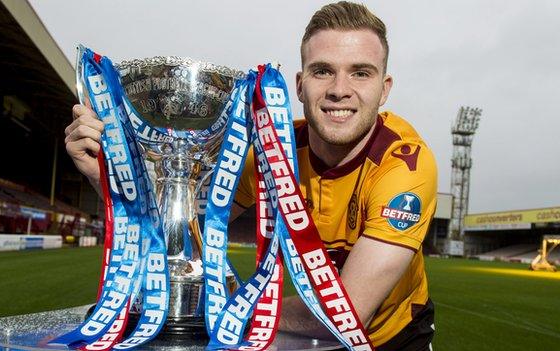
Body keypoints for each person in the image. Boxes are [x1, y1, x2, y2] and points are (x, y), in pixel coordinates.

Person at [65, 2, 436, 350]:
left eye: (361, 73)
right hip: (310, 338)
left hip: (394, 339)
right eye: (322, 71)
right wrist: (108, 174)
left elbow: (347, 312)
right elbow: (179, 233)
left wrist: (236, 311)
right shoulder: (272, 153)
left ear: (384, 89)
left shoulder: (404, 166)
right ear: (299, 85)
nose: (340, 90)